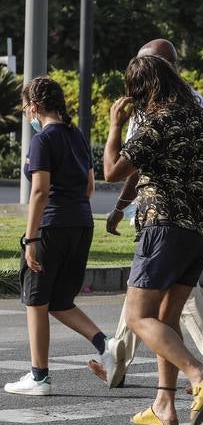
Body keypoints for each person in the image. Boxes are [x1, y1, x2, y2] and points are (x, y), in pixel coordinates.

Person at [88, 38, 203, 393]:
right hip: (200, 230)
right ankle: (164, 403)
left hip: (163, 226)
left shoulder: (154, 121)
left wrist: (114, 125)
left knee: (138, 316)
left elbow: (113, 170)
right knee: (167, 318)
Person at [4, 76, 125, 397]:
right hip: (80, 224)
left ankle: (39, 377)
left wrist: (31, 239)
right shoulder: (77, 136)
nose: (26, 112)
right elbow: (89, 186)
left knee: (36, 301)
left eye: (26, 106)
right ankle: (106, 344)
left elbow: (40, 190)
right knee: (59, 301)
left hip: (51, 227)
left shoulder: (43, 141)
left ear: (35, 106)